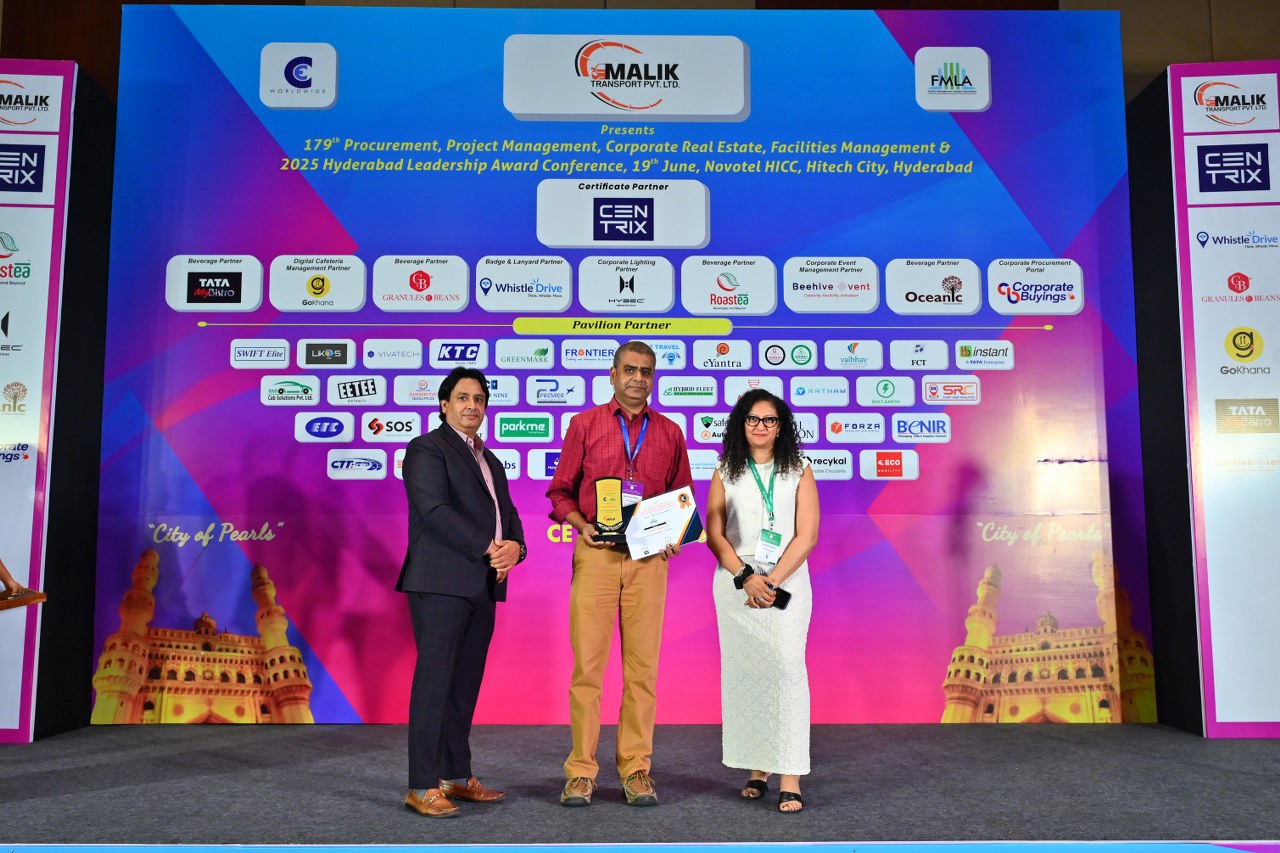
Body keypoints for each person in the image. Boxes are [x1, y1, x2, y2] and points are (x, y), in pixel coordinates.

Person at [547, 340, 692, 807]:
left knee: (642, 672)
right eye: (630, 369)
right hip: (597, 556)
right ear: (612, 375)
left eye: (646, 371)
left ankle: (636, 769)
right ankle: (580, 772)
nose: (638, 378)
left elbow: (682, 498)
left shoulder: (670, 432)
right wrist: (582, 526)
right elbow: (560, 492)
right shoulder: (584, 424)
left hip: (648, 562)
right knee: (587, 670)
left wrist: (676, 533)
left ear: (653, 378)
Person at [396, 366, 526, 818]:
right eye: (463, 398)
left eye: (479, 399)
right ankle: (421, 784)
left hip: (483, 584)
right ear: (444, 404)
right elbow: (435, 511)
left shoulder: (491, 460)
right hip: (439, 583)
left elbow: (507, 514)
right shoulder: (426, 448)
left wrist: (516, 548)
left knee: (464, 684)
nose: (473, 405)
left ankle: (455, 774)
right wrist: (491, 548)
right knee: (435, 683)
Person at [704, 389, 818, 814]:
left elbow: (807, 534)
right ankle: (757, 768)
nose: (760, 427)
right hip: (737, 584)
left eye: (769, 420)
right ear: (741, 424)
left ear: (781, 426)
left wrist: (770, 581)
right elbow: (715, 534)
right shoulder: (725, 470)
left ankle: (790, 775)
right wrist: (745, 577)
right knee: (746, 675)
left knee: (786, 671)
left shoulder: (799, 469)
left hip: (786, 581)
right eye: (753, 419)